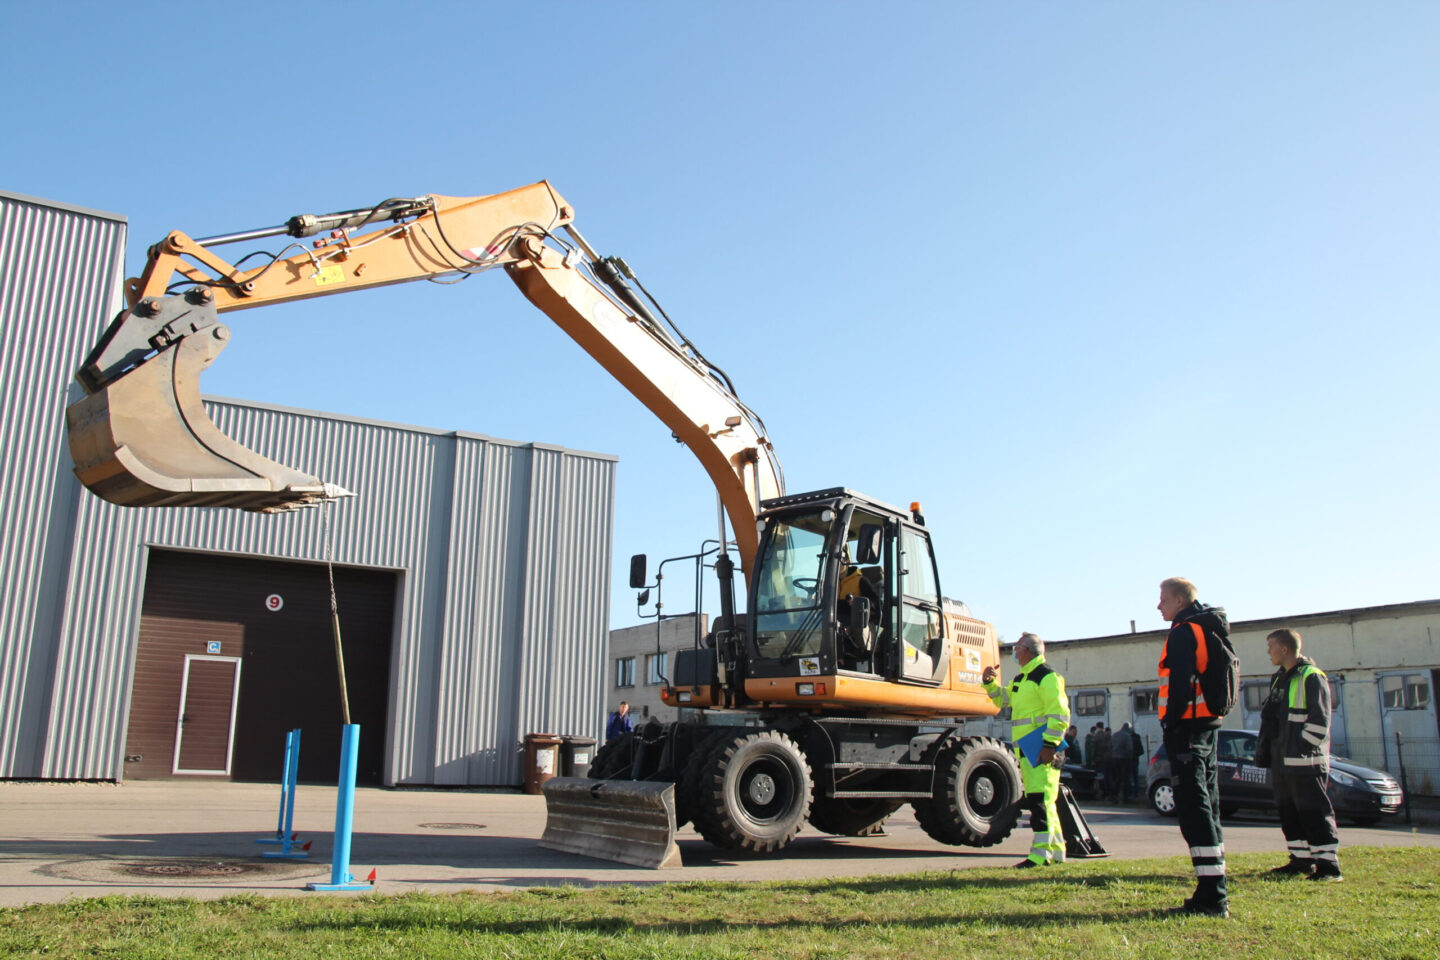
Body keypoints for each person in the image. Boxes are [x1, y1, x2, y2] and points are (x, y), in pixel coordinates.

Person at [1157, 576, 1231, 917]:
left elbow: (1181, 682)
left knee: (1193, 806)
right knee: (1208, 803)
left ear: (1180, 602)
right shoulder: (1208, 628)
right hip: (1205, 727)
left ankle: (1212, 896)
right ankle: (1213, 888)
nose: (1159, 606)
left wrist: (1170, 722)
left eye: (1164, 600)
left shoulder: (1184, 632)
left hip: (1187, 728)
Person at [1256, 628, 1342, 881]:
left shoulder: (1312, 676)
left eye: (1270, 646)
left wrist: (1300, 747)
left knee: (1314, 812)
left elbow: (1320, 721)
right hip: (1282, 761)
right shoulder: (1279, 678)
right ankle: (1300, 860)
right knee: (1288, 812)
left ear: (1284, 649)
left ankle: (1328, 867)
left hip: (1304, 761)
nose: (1268, 651)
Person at [983, 632, 1071, 868]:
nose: (1013, 650)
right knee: (1044, 800)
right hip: (1032, 749)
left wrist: (1049, 746)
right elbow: (1002, 700)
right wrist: (989, 683)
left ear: (1028, 651)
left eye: (1017, 647)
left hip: (1042, 750)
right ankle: (1057, 852)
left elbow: (1059, 715)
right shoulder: (1023, 678)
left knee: (1039, 801)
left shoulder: (1047, 677)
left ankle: (1040, 855)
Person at [1112, 722, 1137, 803]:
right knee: (1126, 779)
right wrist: (1130, 758)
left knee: (1117, 778)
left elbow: (1110, 746)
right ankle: (1125, 797)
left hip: (1115, 758)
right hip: (1125, 759)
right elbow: (1130, 749)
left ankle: (1114, 795)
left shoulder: (1115, 734)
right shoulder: (1127, 736)